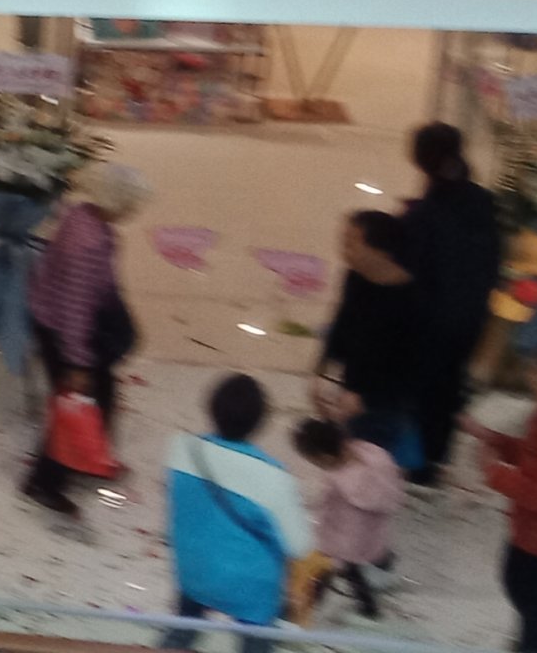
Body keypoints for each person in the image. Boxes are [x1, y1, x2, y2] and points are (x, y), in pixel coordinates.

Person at [21, 162, 150, 516]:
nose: (133, 211)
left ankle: (89, 458)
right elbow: (74, 308)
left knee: (101, 394)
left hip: (57, 320)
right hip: (64, 332)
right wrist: (77, 363)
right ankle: (45, 481)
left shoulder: (81, 215)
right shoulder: (88, 243)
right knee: (75, 404)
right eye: (131, 204)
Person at [161, 374, 312, 652]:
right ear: (260, 421)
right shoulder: (274, 477)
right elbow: (300, 546)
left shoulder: (182, 448)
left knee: (183, 628)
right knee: (255, 642)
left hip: (193, 571)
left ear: (212, 407)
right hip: (251, 589)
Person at [400, 120, 503, 484]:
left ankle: (420, 464)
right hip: (470, 316)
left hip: (432, 320)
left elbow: (414, 270)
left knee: (425, 392)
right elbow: (492, 261)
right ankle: (435, 458)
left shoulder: (424, 213)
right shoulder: (481, 201)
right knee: (448, 388)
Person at [468, 344, 537, 652]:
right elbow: (535, 456)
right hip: (528, 536)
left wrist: (494, 473)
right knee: (521, 590)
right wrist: (498, 442)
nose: (531, 377)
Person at [320, 210, 424, 465]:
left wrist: (367, 400)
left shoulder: (414, 300)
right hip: (351, 392)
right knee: (344, 461)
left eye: (352, 243)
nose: (344, 250)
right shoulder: (355, 278)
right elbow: (342, 326)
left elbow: (410, 368)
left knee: (369, 469)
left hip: (386, 405)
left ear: (381, 252)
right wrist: (323, 373)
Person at [292, 415, 402, 620]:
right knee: (375, 554)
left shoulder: (340, 486)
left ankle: (367, 610)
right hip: (374, 530)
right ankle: (384, 564)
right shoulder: (375, 455)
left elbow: (330, 513)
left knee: (341, 573)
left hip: (345, 544)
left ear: (324, 457)